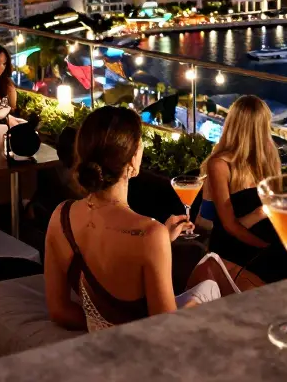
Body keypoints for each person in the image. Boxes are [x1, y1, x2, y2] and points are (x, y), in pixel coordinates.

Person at [44, 106, 236, 331]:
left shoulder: (61, 216)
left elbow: (59, 311)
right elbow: (163, 329)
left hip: (104, 336)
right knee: (211, 286)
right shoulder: (148, 235)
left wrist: (101, 323)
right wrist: (202, 305)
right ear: (133, 161)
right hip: (138, 350)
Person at [201, 95, 287, 284]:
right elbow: (229, 226)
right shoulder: (219, 164)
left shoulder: (268, 161)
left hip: (268, 237)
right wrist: (267, 245)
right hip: (236, 243)